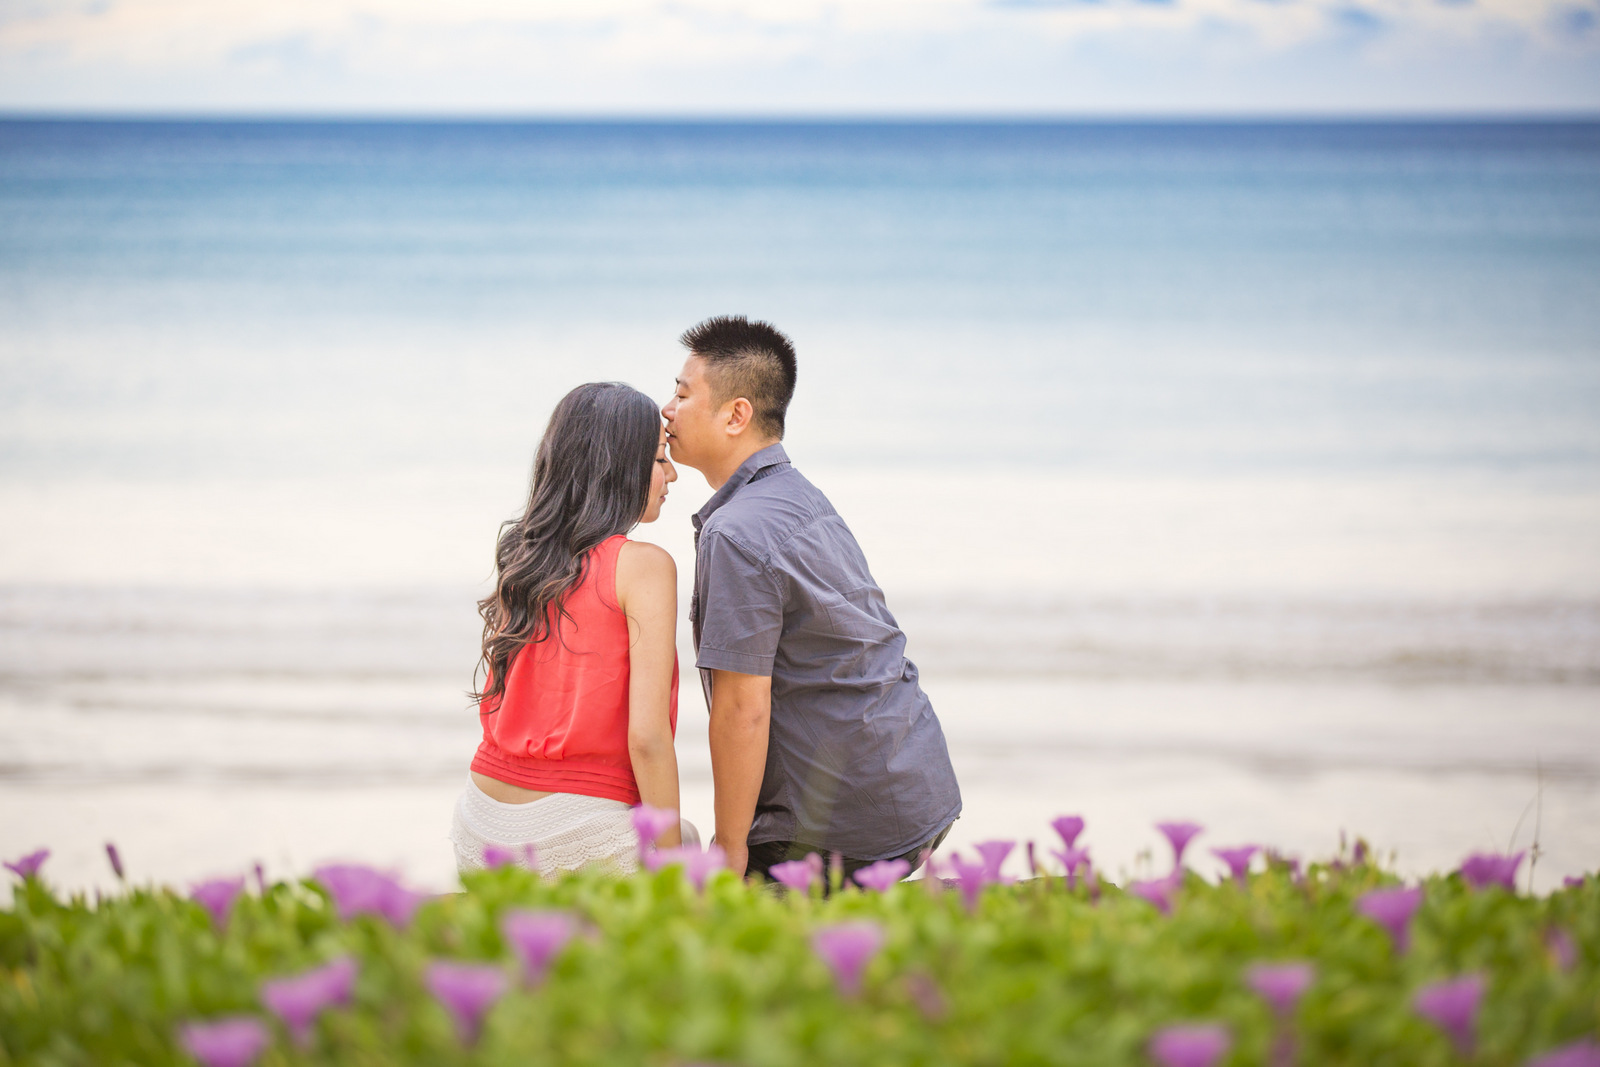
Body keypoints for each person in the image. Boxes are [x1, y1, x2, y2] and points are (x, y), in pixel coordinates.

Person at [662, 315, 962, 884]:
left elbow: (743, 709)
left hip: (857, 829)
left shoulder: (735, 533)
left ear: (736, 415)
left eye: (681, 394)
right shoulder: (799, 496)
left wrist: (730, 849)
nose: (667, 410)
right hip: (921, 794)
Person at [449, 381, 696, 875]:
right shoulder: (644, 566)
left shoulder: (525, 556)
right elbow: (647, 739)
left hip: (478, 832)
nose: (671, 474)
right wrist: (676, 876)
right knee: (685, 840)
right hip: (571, 835)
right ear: (619, 468)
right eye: (658, 458)